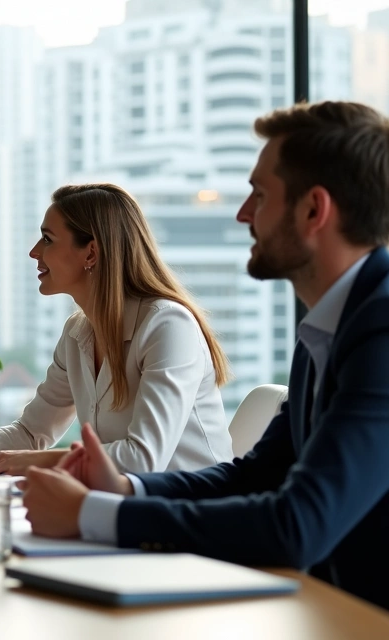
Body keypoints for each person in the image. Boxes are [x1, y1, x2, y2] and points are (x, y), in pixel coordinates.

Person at [21, 101, 389, 612]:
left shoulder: (380, 328)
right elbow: (253, 474)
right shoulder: (327, 325)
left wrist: (95, 515)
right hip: (324, 606)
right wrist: (127, 490)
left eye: (259, 196)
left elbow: (297, 525)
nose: (242, 213)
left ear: (313, 211)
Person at [0, 183, 232, 475]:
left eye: (48, 239)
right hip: (131, 506)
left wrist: (34, 463)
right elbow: (32, 434)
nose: (34, 252)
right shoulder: (78, 333)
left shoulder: (167, 327)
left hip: (197, 517)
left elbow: (142, 459)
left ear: (91, 252)